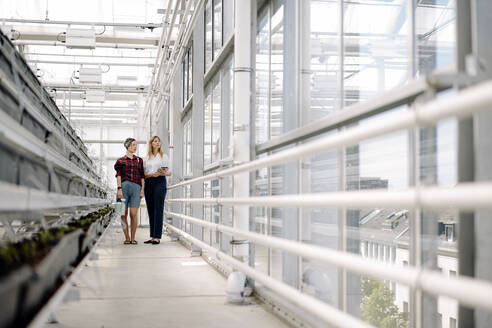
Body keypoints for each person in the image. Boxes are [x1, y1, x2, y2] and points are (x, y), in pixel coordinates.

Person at [114, 138, 145, 244]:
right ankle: (127, 237)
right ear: (127, 146)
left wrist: (142, 190)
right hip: (123, 188)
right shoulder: (120, 161)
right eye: (133, 145)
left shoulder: (139, 160)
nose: (135, 147)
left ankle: (133, 237)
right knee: (123, 213)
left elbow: (142, 176)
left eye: (136, 145)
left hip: (136, 188)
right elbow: (118, 176)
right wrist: (119, 189)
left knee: (133, 213)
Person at [143, 136, 171, 245]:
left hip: (160, 181)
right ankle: (152, 236)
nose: (158, 143)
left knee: (158, 209)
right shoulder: (146, 158)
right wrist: (151, 174)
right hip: (149, 182)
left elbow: (169, 172)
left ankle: (157, 237)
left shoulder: (164, 156)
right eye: (155, 141)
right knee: (150, 209)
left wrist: (162, 172)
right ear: (151, 144)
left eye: (159, 141)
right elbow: (143, 175)